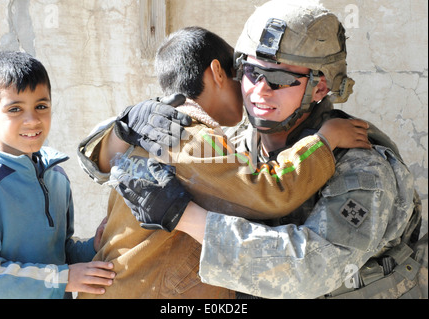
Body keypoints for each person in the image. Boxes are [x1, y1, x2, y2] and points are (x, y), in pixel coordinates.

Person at [118, 1, 426, 299]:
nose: (259, 90)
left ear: (319, 88)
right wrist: (126, 127)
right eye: (252, 72)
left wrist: (182, 217)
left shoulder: (361, 165)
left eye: (279, 79)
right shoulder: (235, 144)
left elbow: (309, 270)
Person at [76, 26, 370, 299]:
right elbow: (269, 192)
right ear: (218, 72)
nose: (250, 91)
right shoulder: (189, 137)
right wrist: (324, 142)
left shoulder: (153, 131)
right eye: (243, 75)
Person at [0, 51, 115, 299]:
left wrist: (93, 248)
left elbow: (60, 254)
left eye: (41, 106)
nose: (32, 120)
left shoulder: (56, 176)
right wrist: (62, 280)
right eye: (15, 109)